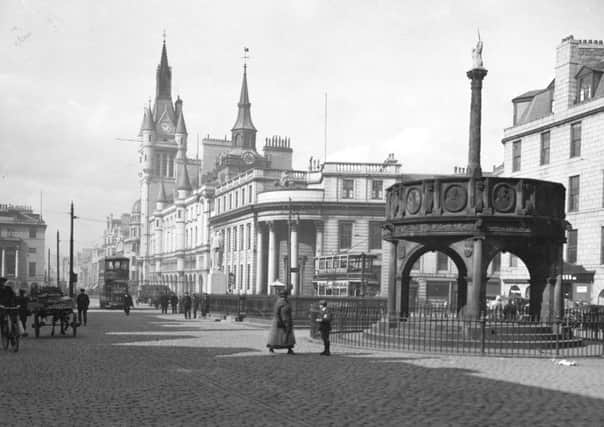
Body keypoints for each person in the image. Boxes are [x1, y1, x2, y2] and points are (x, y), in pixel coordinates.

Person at [266, 290, 296, 355]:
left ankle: (289, 348)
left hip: (287, 320)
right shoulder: (279, 302)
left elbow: (289, 310)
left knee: (288, 334)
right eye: (283, 295)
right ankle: (271, 347)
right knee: (277, 335)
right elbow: (276, 312)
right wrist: (279, 320)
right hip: (280, 320)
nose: (284, 297)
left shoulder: (287, 302)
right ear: (281, 295)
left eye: (285, 295)